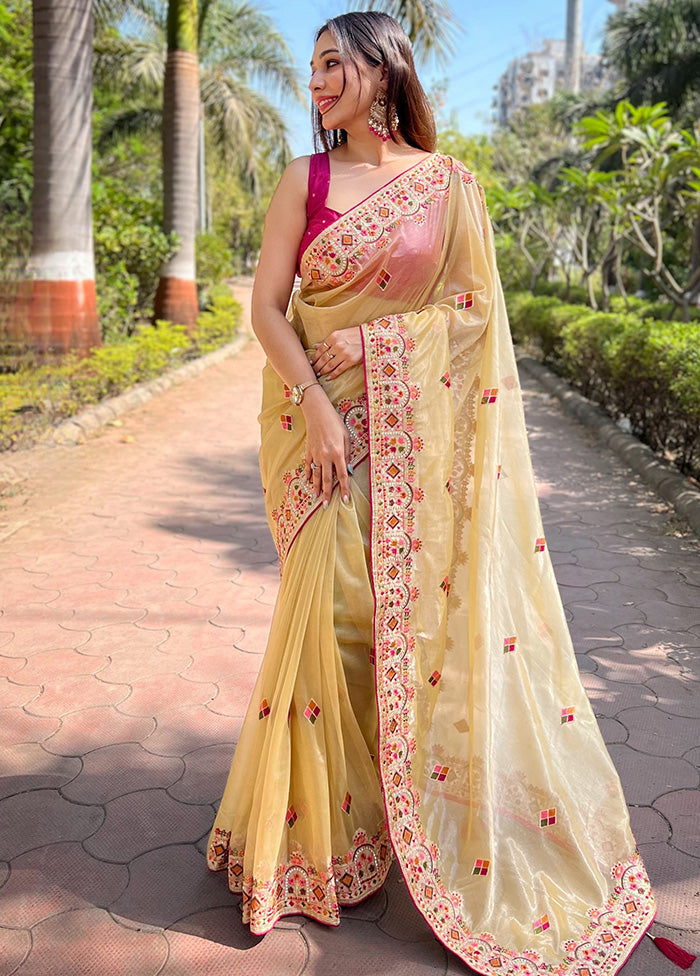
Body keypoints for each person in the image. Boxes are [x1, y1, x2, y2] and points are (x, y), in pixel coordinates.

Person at [207, 11, 655, 974]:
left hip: (410, 438)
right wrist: (320, 406)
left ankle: (387, 808)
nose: (317, 81)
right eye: (311, 66)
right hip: (313, 430)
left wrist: (374, 345)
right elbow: (267, 310)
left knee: (392, 621)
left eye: (334, 64)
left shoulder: (448, 187)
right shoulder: (307, 179)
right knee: (324, 617)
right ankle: (312, 843)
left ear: (382, 70)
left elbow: (470, 314)